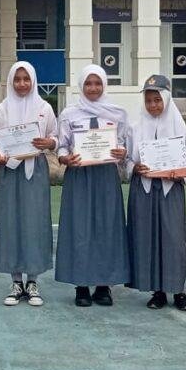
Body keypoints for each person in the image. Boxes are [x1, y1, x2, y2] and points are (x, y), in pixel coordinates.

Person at [55, 64, 130, 306]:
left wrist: (122, 152)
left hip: (106, 176)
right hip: (79, 176)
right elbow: (62, 146)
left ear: (105, 85)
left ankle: (103, 286)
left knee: (106, 227)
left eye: (98, 83)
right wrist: (65, 158)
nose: (93, 88)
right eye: (88, 83)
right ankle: (81, 285)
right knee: (80, 228)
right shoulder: (69, 114)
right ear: (81, 86)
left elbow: (126, 145)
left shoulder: (117, 113)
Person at [0, 61, 58, 306]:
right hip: (9, 171)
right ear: (10, 81)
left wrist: (49, 143)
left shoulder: (44, 108)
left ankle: (33, 280)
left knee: (35, 222)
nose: (22, 84)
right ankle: (16, 281)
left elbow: (56, 138)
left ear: (33, 80)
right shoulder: (2, 109)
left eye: (26, 79)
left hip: (34, 170)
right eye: (17, 79)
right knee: (11, 221)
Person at [125, 74, 186, 311]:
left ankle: (178, 290)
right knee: (147, 237)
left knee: (173, 239)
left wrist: (181, 173)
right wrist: (134, 167)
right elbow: (125, 158)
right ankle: (157, 290)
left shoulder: (178, 125)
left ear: (166, 99)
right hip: (143, 189)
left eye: (157, 100)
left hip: (170, 190)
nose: (153, 105)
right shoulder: (135, 127)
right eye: (149, 100)